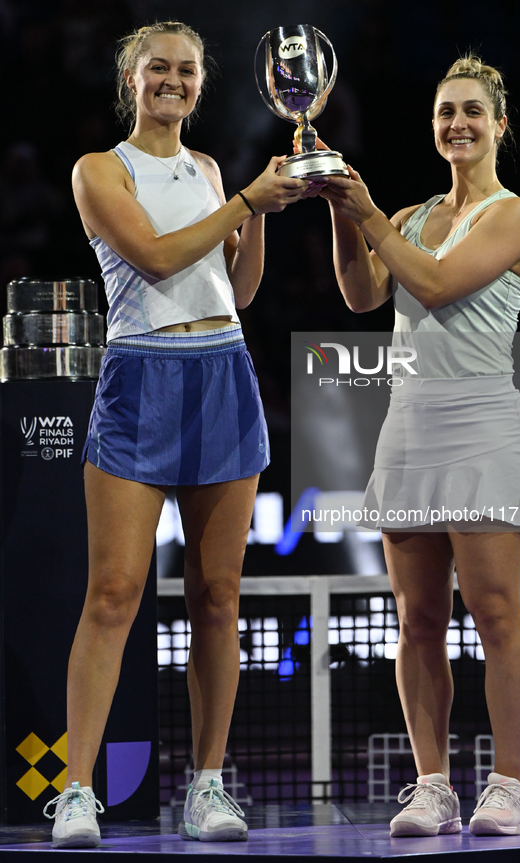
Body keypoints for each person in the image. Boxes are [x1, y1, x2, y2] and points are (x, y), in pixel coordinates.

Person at [42, 21, 308, 849]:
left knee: (218, 598)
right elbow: (155, 260)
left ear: (199, 83)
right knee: (114, 593)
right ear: (131, 79)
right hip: (139, 381)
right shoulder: (99, 171)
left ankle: (207, 785)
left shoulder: (210, 169)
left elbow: (239, 288)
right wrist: (243, 203)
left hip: (224, 374)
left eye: (186, 70)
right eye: (157, 66)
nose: (172, 80)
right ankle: (78, 790)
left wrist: (260, 213)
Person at [319, 55, 520, 837]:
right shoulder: (413, 216)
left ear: (498, 125)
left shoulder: (516, 215)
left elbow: (440, 285)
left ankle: (508, 786)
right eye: (445, 111)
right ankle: (431, 785)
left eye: (472, 112)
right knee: (415, 620)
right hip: (409, 424)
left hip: (484, 422)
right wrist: (338, 209)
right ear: (433, 126)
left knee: (493, 610)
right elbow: (360, 293)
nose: (457, 123)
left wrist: (369, 208)